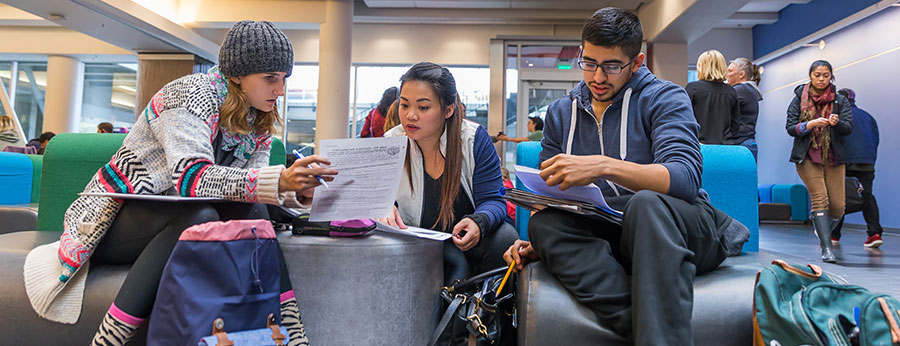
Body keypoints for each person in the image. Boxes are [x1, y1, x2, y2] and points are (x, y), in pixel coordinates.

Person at [22, 21, 328, 346]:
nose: (280, 90)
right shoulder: (189, 95)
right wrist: (278, 180)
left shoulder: (257, 119)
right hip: (113, 218)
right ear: (237, 75)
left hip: (178, 222)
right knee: (198, 217)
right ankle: (107, 341)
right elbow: (190, 179)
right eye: (270, 79)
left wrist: (295, 191)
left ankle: (294, 336)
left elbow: (248, 188)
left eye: (284, 79)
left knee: (252, 213)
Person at [502, 8, 744, 346]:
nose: (598, 77)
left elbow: (685, 179)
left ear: (637, 61)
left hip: (678, 226)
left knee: (645, 205)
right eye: (589, 63)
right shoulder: (561, 112)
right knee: (544, 227)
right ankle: (646, 328)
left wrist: (604, 165)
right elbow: (550, 197)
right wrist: (543, 240)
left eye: (612, 66)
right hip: (611, 229)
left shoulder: (665, 97)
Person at [379, 62, 518, 283]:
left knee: (505, 238)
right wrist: (385, 208)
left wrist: (478, 222)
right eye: (404, 105)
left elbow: (494, 200)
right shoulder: (391, 143)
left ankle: (490, 314)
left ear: (448, 109)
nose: (410, 116)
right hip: (415, 240)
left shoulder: (473, 140)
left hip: (467, 242)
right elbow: (379, 197)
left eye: (423, 108)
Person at [786, 60, 853, 263]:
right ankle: (827, 248)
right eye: (817, 75)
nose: (822, 79)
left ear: (830, 76)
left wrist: (837, 123)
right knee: (820, 199)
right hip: (807, 156)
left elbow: (849, 127)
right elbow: (791, 127)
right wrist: (810, 124)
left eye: (825, 75)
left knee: (838, 207)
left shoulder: (840, 100)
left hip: (834, 157)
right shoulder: (799, 98)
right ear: (810, 76)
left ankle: (821, 227)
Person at [831, 88, 882, 248]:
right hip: (867, 163)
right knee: (867, 196)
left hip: (845, 161)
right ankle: (874, 234)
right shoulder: (868, 117)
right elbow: (876, 139)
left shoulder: (839, 118)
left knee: (839, 198)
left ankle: (834, 235)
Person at [685, 49, 740, 144]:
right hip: (725, 147)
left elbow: (685, 119)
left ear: (701, 67)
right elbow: (735, 125)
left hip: (699, 146)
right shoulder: (731, 91)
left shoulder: (692, 88)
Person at [727, 57, 763, 161]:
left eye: (730, 71)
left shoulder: (740, 89)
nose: (727, 74)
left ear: (741, 74)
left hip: (741, 145)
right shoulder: (748, 89)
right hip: (745, 143)